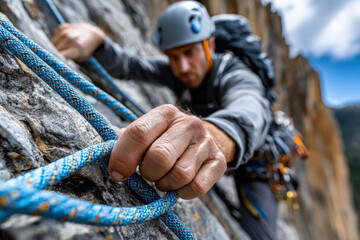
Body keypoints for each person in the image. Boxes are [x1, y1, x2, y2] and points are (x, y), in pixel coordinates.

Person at [51, 1, 276, 239]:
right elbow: (131, 66)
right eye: (173, 57)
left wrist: (210, 136)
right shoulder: (178, 70)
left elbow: (250, 113)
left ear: (209, 45)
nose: (183, 66)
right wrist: (98, 41)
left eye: (190, 52)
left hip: (258, 166)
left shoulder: (236, 74)